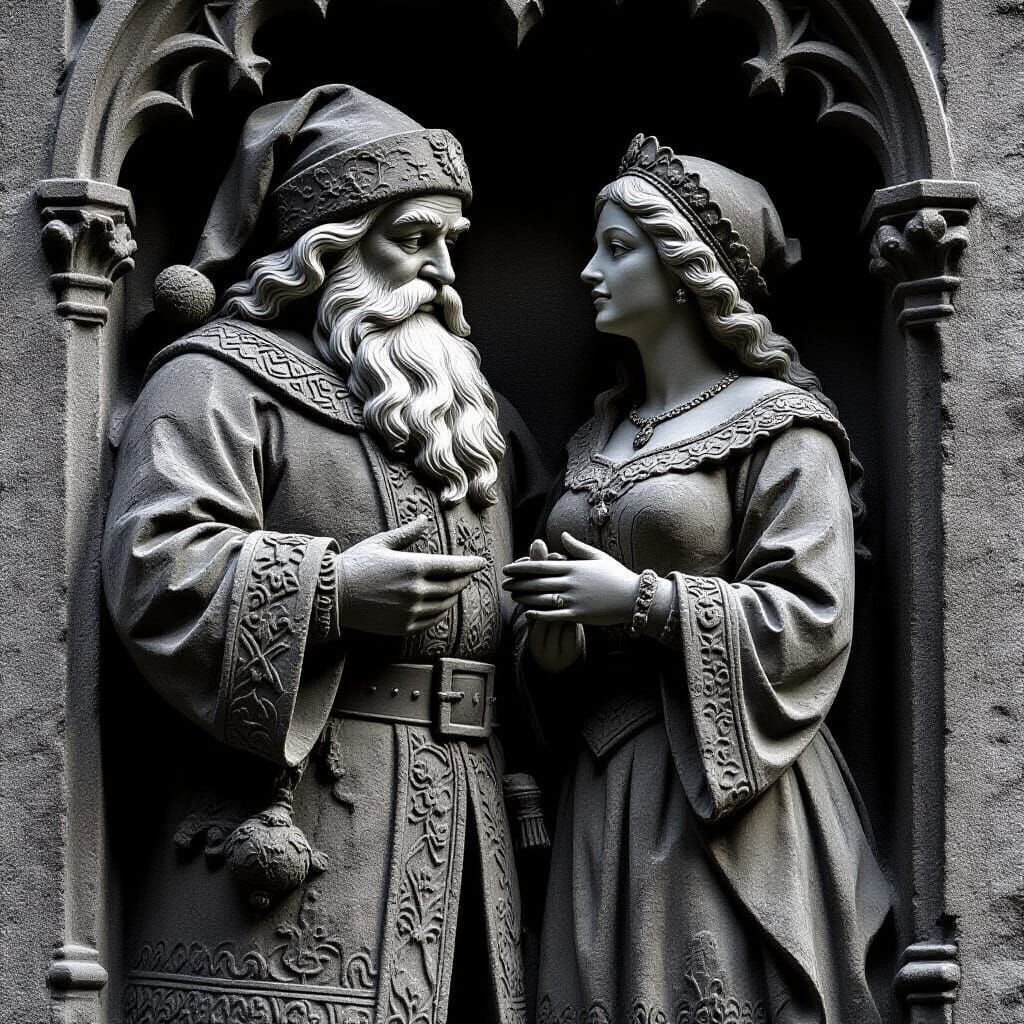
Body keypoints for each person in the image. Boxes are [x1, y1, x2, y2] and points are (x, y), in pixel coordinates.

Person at [102, 84, 546, 1024]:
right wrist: (335, 590)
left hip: (470, 840)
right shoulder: (216, 378)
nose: (441, 273)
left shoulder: (473, 414)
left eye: (450, 246)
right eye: (414, 239)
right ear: (328, 243)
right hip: (297, 833)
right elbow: (155, 563)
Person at [502, 135, 892, 1023]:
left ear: (685, 270)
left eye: (617, 248)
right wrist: (550, 652)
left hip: (727, 787)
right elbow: (541, 634)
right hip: (603, 788)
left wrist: (641, 603)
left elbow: (813, 615)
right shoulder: (597, 436)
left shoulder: (783, 429)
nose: (589, 272)